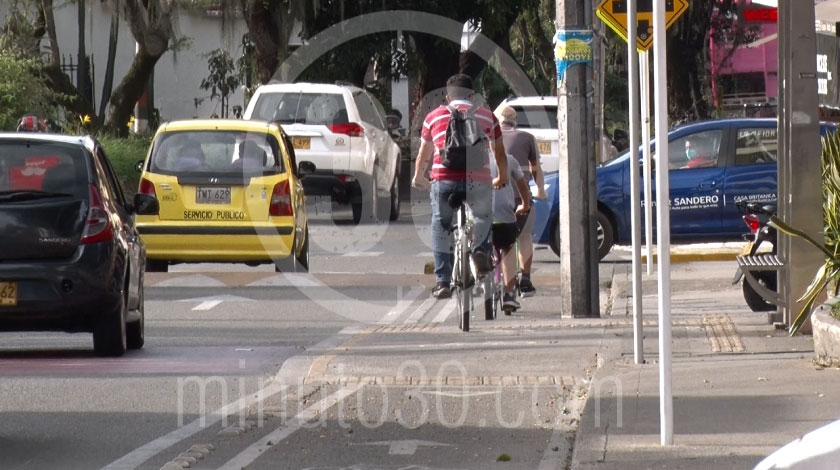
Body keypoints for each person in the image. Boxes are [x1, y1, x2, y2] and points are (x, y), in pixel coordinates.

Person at [412, 74, 509, 299]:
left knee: (440, 224)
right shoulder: (488, 117)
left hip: (444, 180)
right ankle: (480, 253)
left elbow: (423, 155)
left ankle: (443, 280)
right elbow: (499, 153)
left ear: (447, 97)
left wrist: (419, 177)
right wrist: (502, 177)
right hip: (479, 181)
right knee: (483, 217)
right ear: (473, 96)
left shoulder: (433, 117)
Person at [496, 106, 546, 297]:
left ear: (499, 121)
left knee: (500, 238)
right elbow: (536, 169)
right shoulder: (527, 137)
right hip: (519, 196)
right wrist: (540, 190)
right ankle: (525, 278)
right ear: (514, 121)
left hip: (495, 197)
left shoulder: (489, 137)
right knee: (525, 235)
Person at [491, 154, 532, 310]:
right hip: (504, 219)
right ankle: (508, 295)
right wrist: (525, 205)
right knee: (508, 246)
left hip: (477, 219)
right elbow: (522, 187)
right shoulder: (509, 159)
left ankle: (479, 269)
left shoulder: (471, 159)